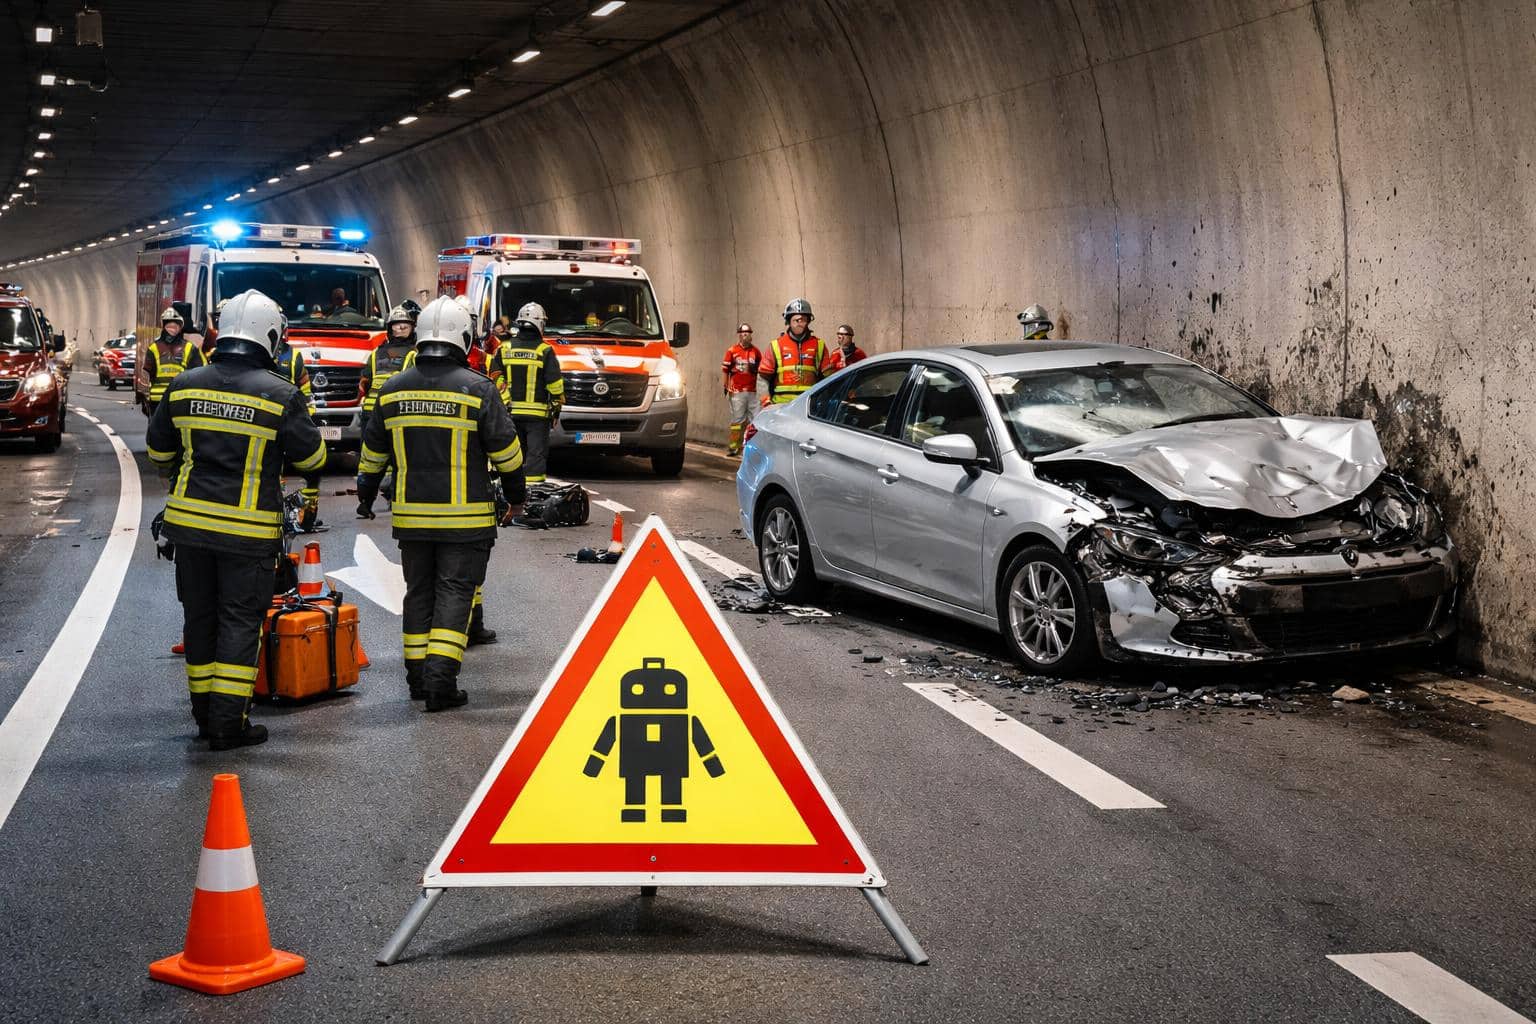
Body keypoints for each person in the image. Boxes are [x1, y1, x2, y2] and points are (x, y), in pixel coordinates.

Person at [146, 290, 327, 750]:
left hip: (188, 528)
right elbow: (314, 456)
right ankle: (229, 724)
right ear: (270, 336)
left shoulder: (184, 384)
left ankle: (205, 717)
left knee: (200, 619)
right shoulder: (280, 393)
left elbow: (159, 451)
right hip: (247, 533)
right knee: (240, 622)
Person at [355, 297, 526, 711]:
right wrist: (517, 499)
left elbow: (371, 457)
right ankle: (440, 684)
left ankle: (417, 678)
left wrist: (366, 496)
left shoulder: (393, 389)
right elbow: (508, 455)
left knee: (418, 594)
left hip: (411, 518)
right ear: (462, 339)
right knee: (455, 593)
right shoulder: (478, 389)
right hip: (465, 520)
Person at [487, 305, 564, 484]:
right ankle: (532, 493)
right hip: (538, 416)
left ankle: (509, 491)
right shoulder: (545, 350)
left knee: (512, 454)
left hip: (510, 413)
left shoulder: (504, 348)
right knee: (536, 456)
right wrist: (556, 408)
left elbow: (495, 378)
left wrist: (504, 401)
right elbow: (555, 384)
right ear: (539, 323)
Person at [758, 297, 833, 406]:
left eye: (803, 319)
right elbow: (762, 378)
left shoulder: (819, 345)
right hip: (780, 406)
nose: (799, 322)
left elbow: (829, 378)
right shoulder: (775, 345)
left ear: (808, 321)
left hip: (808, 406)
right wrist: (766, 403)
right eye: (796, 320)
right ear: (788, 321)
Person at [142, 306, 207, 417]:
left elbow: (150, 372)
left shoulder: (189, 348)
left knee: (161, 431)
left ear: (180, 327)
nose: (171, 329)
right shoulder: (188, 348)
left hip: (169, 399)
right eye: (169, 326)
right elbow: (199, 373)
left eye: (174, 326)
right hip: (171, 399)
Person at [359, 305, 417, 426]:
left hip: (370, 411)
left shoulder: (375, 353)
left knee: (368, 445)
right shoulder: (414, 354)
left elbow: (363, 384)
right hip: (396, 411)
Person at [720, 323, 761, 456]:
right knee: (737, 420)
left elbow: (761, 370)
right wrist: (725, 385)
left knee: (755, 419)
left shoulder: (756, 352)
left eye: (748, 333)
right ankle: (733, 447)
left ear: (751, 335)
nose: (745, 335)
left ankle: (751, 447)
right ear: (739, 335)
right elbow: (725, 370)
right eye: (743, 333)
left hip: (753, 391)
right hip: (737, 391)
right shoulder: (732, 351)